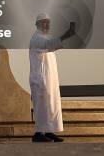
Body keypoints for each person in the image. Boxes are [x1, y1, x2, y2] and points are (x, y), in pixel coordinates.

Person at [29, 13, 75, 143]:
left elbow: (52, 44)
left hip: (49, 79)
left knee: (51, 106)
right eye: (43, 22)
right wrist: (67, 34)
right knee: (43, 107)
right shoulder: (36, 38)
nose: (46, 24)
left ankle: (48, 132)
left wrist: (68, 35)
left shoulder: (45, 37)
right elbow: (48, 44)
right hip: (40, 80)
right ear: (37, 24)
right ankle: (38, 133)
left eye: (48, 22)